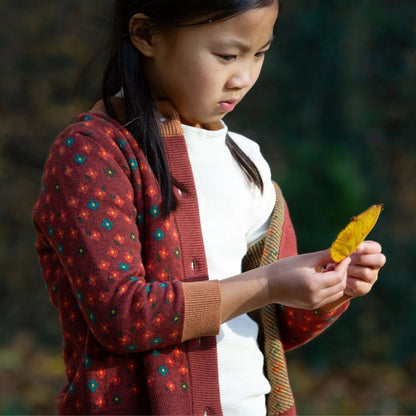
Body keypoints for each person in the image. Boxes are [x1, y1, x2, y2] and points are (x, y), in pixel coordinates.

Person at [32, 0, 386, 415]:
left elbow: (275, 324)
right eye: (227, 55)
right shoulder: (94, 153)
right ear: (146, 36)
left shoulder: (249, 162)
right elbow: (122, 316)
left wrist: (329, 287)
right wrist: (268, 284)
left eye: (260, 54)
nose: (244, 76)